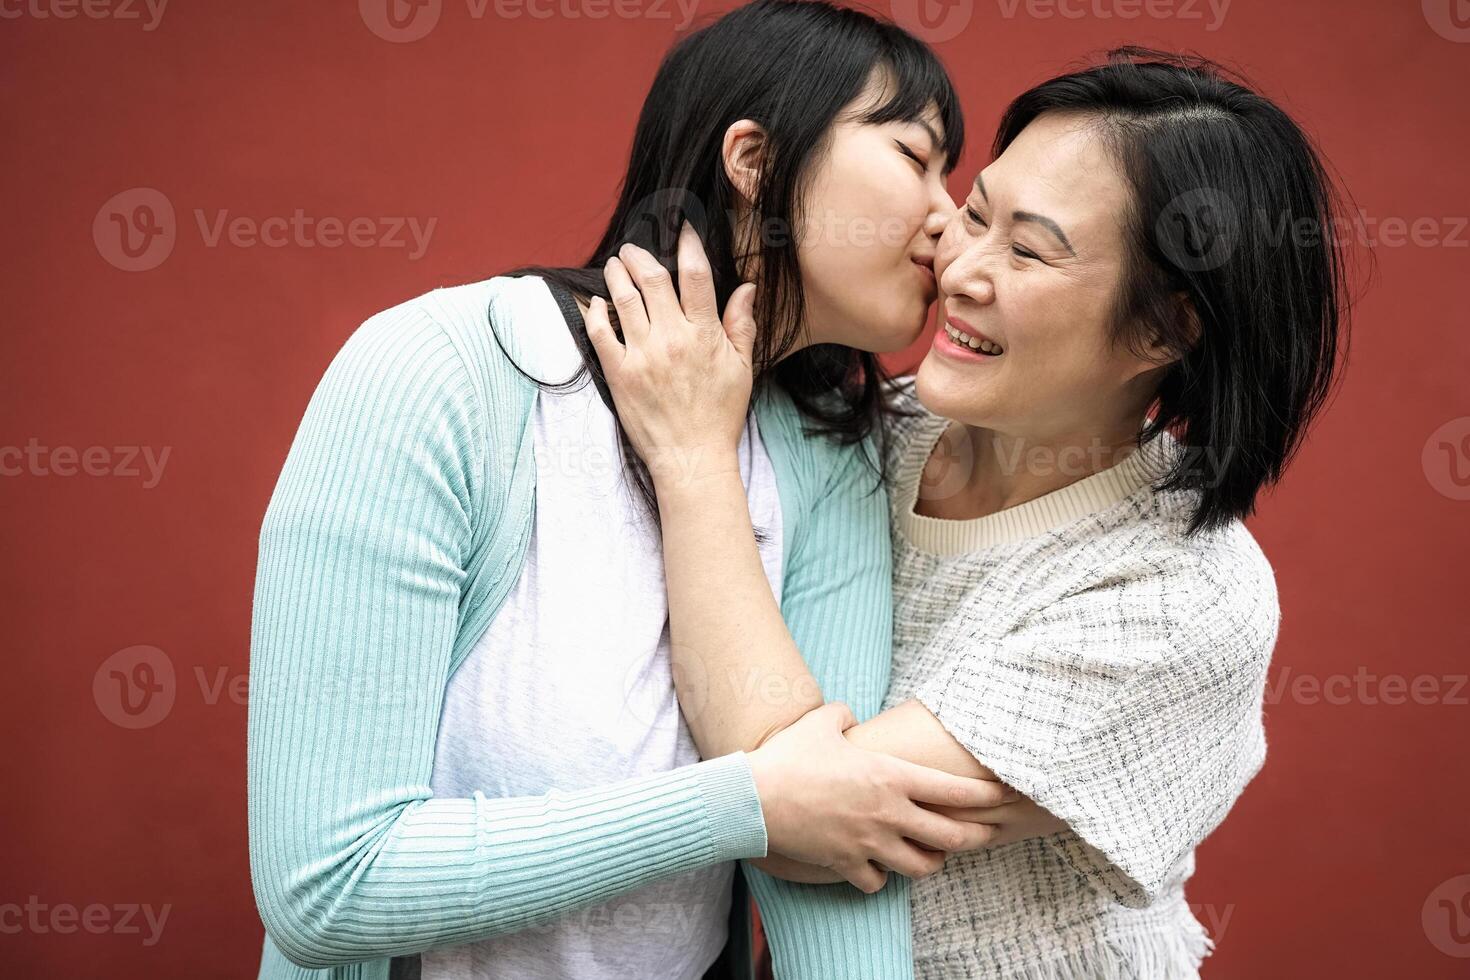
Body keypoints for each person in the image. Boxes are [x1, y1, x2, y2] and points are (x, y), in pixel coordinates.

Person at [247, 3, 1047, 979]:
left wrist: (784, 803)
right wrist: (742, 802)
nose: (944, 216)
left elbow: (828, 856)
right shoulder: (446, 373)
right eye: (916, 154)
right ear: (755, 159)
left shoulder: (833, 455)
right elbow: (328, 887)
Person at [588, 48, 1349, 978]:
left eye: (1027, 250)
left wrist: (696, 459)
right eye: (975, 214)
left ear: (1164, 328)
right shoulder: (862, 431)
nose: (958, 271)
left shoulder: (1179, 596)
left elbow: (797, 826)